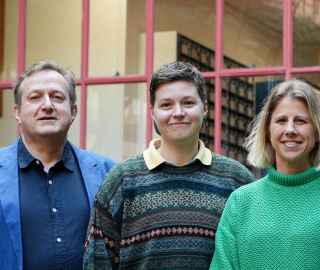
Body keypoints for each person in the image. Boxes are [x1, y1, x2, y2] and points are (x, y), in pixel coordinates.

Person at [83, 61, 255, 270]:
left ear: (206, 108)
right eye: (166, 105)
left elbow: (254, 257)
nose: (178, 112)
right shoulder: (122, 180)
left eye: (188, 103)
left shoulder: (236, 180)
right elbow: (97, 261)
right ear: (152, 112)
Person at [209, 79, 320, 270]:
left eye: (301, 121)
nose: (290, 130)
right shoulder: (240, 201)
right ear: (267, 131)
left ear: (317, 132)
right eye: (281, 121)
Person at [0, 60, 115, 270]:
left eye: (57, 97)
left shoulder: (108, 173)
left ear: (73, 111)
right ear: (17, 112)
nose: (47, 105)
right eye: (35, 97)